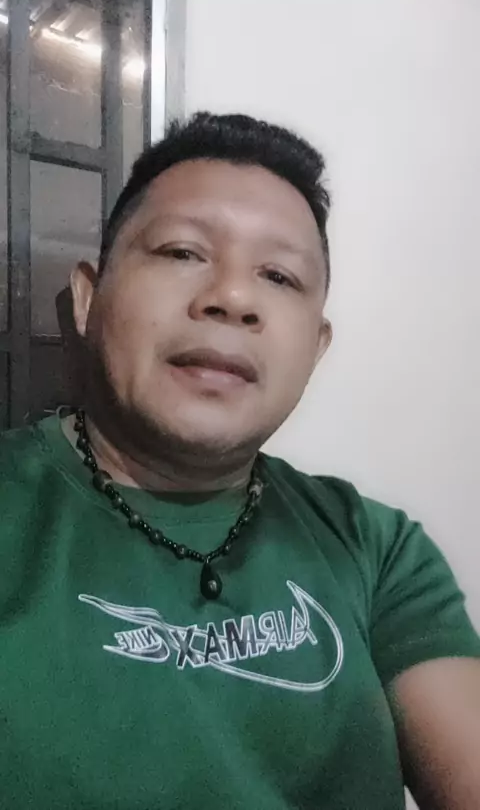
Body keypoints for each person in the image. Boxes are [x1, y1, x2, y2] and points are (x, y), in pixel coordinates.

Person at [0, 112, 479, 810]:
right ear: (88, 298)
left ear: (315, 348)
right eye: (182, 252)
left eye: (279, 275)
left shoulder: (376, 548)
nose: (232, 298)